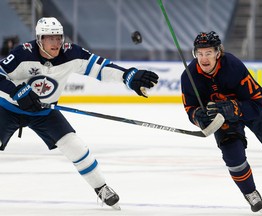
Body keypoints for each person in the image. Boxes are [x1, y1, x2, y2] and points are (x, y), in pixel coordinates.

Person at [0, 17, 159, 210]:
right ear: (39, 39)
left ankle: (101, 188)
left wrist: (127, 75)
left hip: (44, 111)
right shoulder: (22, 53)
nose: (56, 43)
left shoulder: (71, 53)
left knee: (75, 145)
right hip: (7, 108)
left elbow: (100, 67)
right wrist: (17, 91)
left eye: (58, 38)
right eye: (50, 38)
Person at [181, 31, 262, 213]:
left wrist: (235, 108)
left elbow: (258, 99)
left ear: (217, 52)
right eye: (199, 53)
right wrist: (199, 117)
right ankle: (250, 193)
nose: (203, 58)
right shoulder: (189, 76)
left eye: (208, 53)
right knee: (233, 157)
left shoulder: (233, 66)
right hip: (222, 118)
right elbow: (190, 108)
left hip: (253, 109)